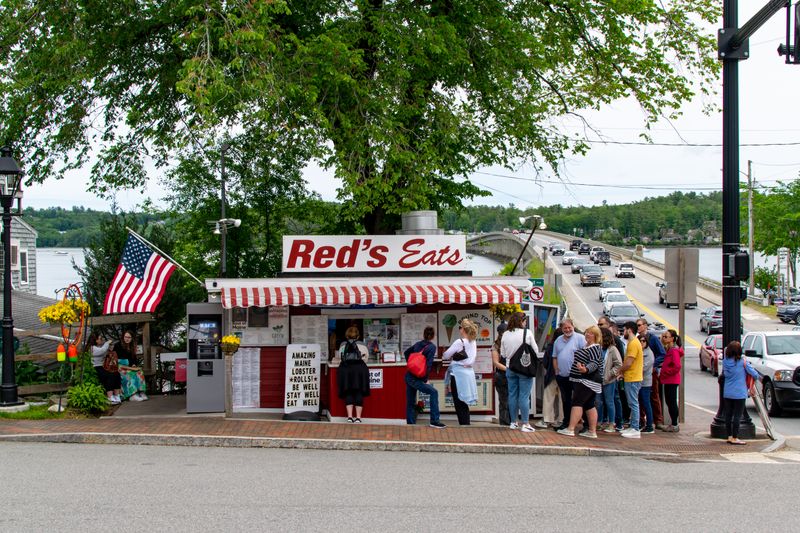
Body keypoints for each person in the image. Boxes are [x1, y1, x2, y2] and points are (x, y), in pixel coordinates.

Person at [557, 326, 604, 438]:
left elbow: (594, 363)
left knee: (577, 403)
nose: (587, 334)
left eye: (591, 333)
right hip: (582, 380)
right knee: (589, 405)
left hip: (586, 380)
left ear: (596, 336)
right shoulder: (587, 346)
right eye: (587, 332)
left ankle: (571, 428)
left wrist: (585, 369)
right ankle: (592, 431)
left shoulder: (595, 348)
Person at [500, 312, 539, 432]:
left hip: (510, 368)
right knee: (524, 396)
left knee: (512, 395)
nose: (525, 323)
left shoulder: (505, 334)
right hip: (524, 368)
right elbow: (536, 351)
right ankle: (525, 423)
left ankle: (513, 422)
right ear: (521, 321)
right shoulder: (527, 333)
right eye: (525, 321)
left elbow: (503, 354)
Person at [404, 326, 446, 428]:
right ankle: (434, 421)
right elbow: (428, 364)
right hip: (417, 378)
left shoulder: (418, 344)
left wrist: (412, 365)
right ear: (433, 336)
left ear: (424, 334)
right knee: (434, 392)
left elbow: (406, 353)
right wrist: (425, 379)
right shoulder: (432, 347)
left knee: (410, 401)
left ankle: (410, 424)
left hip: (409, 376)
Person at [722, 341, 760, 445]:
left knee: (728, 415)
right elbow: (754, 374)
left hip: (727, 392)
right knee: (737, 416)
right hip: (739, 393)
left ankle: (729, 436)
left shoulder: (725, 362)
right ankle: (735, 437)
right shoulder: (742, 362)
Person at [552, 318, 586, 431]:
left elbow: (586, 355)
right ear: (561, 329)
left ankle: (584, 424)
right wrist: (556, 370)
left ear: (573, 326)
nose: (567, 330)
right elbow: (555, 357)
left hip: (577, 376)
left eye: (569, 327)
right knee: (566, 400)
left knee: (580, 400)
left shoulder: (580, 338)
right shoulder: (558, 340)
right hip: (562, 376)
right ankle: (566, 422)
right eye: (565, 328)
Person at [443, 319, 478, 425]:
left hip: (458, 375)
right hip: (469, 374)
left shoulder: (460, 342)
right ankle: (466, 423)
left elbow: (446, 355)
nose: (460, 330)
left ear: (463, 329)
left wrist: (449, 354)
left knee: (458, 402)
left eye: (460, 328)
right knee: (464, 402)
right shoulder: (473, 341)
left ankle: (464, 425)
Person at [637, 319, 666, 430]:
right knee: (640, 398)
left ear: (645, 326)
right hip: (639, 374)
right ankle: (642, 420)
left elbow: (662, 354)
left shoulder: (653, 339)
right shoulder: (637, 339)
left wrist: (653, 365)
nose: (638, 327)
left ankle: (657, 420)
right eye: (637, 325)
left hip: (650, 372)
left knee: (653, 396)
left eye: (639, 325)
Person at [337, 325, 370, 423]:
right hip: (359, 370)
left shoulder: (343, 345)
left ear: (347, 335)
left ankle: (350, 417)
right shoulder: (363, 345)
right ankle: (358, 418)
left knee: (348, 391)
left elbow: (340, 357)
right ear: (358, 335)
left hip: (346, 370)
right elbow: (366, 358)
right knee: (358, 391)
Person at [616, 321, 643, 439]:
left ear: (629, 330)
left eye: (625, 330)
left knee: (633, 403)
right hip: (632, 377)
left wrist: (620, 371)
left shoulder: (633, 344)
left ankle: (635, 428)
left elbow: (628, 362)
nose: (623, 333)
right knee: (632, 402)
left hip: (633, 377)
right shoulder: (634, 343)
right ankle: (633, 426)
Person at [536, 327, 563, 429]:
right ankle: (561, 419)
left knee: (548, 398)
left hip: (551, 375)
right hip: (564, 375)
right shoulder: (566, 346)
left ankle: (547, 419)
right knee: (562, 399)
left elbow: (546, 362)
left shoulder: (551, 346)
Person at [599, 327, 623, 433]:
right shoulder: (598, 347)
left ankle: (611, 423)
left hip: (609, 380)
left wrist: (610, 374)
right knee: (598, 402)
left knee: (609, 401)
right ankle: (599, 422)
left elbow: (619, 364)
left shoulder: (612, 349)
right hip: (598, 379)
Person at [659, 329, 683, 432]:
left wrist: (666, 372)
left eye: (666, 336)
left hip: (671, 380)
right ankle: (673, 423)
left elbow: (677, 366)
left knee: (671, 401)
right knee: (669, 401)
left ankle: (674, 424)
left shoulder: (674, 350)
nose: (664, 338)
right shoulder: (670, 349)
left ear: (672, 338)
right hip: (668, 379)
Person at [89, 331, 122, 405]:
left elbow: (106, 351)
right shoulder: (92, 348)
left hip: (103, 366)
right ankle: (110, 397)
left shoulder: (99, 347)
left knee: (116, 373)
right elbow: (102, 351)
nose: (101, 340)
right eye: (100, 338)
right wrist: (107, 343)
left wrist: (110, 347)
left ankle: (117, 395)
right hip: (96, 367)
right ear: (95, 340)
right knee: (109, 375)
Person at [115, 330, 148, 402]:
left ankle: (141, 392)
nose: (127, 339)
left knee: (139, 372)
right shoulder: (118, 345)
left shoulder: (132, 346)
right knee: (131, 374)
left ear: (132, 338)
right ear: (123, 337)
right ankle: (132, 395)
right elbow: (118, 360)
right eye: (125, 337)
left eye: (129, 337)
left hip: (129, 367)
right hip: (120, 367)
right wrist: (129, 363)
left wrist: (133, 364)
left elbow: (133, 358)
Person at [491, 321, 510, 426]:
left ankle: (510, 422)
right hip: (502, 376)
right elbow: (495, 363)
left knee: (508, 401)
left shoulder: (510, 343)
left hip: (508, 375)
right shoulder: (496, 346)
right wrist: (509, 369)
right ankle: (505, 423)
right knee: (504, 401)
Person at [638, 331, 655, 434]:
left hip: (645, 382)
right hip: (638, 382)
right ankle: (641, 422)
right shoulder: (639, 351)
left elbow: (644, 367)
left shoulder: (649, 354)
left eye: (644, 341)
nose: (642, 342)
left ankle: (649, 426)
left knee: (646, 403)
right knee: (639, 403)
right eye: (640, 340)